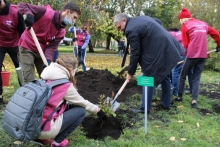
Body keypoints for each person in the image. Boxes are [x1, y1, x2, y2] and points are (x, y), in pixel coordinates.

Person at [114, 13, 185, 114]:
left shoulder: (131, 29)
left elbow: (135, 53)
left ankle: (144, 108)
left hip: (158, 50)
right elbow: (157, 22)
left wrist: (130, 73)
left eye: (120, 27)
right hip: (167, 46)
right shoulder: (139, 20)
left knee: (147, 75)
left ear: (124, 20)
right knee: (164, 75)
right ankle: (165, 104)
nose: (120, 30)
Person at [37, 57, 106, 147]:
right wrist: (98, 110)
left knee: (67, 105)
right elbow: (81, 102)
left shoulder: (44, 77)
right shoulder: (64, 85)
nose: (75, 72)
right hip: (43, 130)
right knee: (81, 111)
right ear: (70, 69)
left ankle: (41, 137)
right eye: (75, 69)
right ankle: (57, 143)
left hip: (31, 126)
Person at [17, 2, 81, 84]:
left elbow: (52, 47)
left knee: (46, 77)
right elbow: (22, 5)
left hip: (41, 51)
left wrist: (48, 60)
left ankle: (45, 95)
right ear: (68, 12)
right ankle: (28, 94)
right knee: (29, 77)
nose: (73, 21)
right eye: (74, 17)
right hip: (27, 45)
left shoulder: (61, 31)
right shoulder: (45, 12)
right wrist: (29, 14)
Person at [176, 8, 220, 108]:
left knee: (182, 76)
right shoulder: (203, 24)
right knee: (196, 78)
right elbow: (216, 34)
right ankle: (194, 100)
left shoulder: (185, 26)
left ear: (183, 19)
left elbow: (186, 43)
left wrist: (185, 53)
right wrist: (219, 44)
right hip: (203, 55)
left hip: (191, 55)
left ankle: (179, 96)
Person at [0, 0, 25, 104]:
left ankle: (25, 94)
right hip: (0, 45)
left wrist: (22, 47)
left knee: (21, 69)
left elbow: (22, 31)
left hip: (15, 44)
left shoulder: (15, 11)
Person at [168, 28, 193, 96]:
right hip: (190, 53)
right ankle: (192, 90)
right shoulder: (180, 32)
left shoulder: (169, 34)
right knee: (190, 72)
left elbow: (169, 46)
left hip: (182, 53)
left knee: (176, 72)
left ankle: (175, 92)